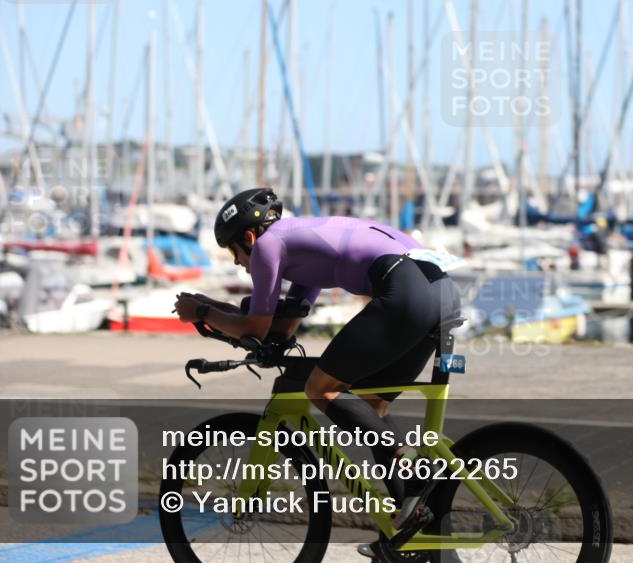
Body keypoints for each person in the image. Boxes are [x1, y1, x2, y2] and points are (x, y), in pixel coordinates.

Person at [173, 188, 460, 543]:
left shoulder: (266, 246)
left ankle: (413, 467)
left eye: (233, 252)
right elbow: (282, 326)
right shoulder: (302, 249)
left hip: (406, 291)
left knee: (320, 388)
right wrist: (218, 308)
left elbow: (256, 328)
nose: (237, 262)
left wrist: (201, 312)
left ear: (248, 237)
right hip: (442, 292)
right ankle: (410, 524)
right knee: (371, 408)